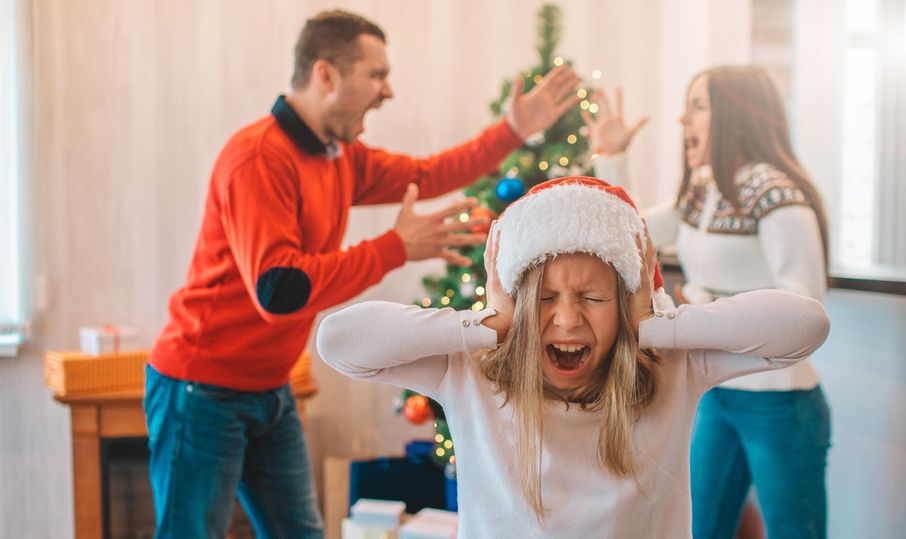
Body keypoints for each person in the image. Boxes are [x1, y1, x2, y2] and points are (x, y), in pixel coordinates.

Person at [144, 9, 581, 538]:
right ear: (326, 74)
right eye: (376, 74)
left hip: (268, 385)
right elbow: (279, 289)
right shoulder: (258, 158)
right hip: (202, 386)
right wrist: (396, 247)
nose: (387, 91)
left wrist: (513, 130)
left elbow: (428, 173)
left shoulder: (338, 158)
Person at [316, 176, 830, 538]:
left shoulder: (675, 364)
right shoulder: (470, 369)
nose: (566, 320)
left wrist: (654, 324)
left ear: (626, 299)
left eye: (594, 298)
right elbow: (338, 340)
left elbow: (805, 326)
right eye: (543, 299)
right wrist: (488, 323)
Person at [584, 66, 831, 538]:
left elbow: (807, 310)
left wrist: (703, 304)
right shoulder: (705, 190)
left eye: (697, 106)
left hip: (780, 402)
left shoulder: (777, 194)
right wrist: (612, 158)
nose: (682, 120)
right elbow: (626, 230)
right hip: (716, 392)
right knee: (698, 528)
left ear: (737, 115)